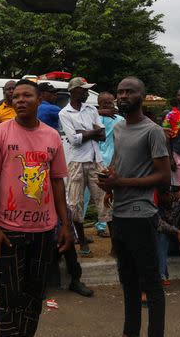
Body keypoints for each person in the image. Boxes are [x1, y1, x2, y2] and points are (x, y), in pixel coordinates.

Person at [0, 79, 72, 337]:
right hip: (9, 231)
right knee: (10, 298)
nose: (20, 100)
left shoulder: (52, 136)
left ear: (39, 100)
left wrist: (65, 225)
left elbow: (57, 182)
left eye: (27, 96)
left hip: (44, 231)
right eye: (16, 96)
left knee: (35, 296)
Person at [96, 77, 170, 337]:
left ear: (143, 95)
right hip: (120, 215)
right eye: (120, 92)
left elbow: (164, 177)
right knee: (128, 283)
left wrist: (121, 182)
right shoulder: (118, 129)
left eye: (130, 91)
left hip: (142, 215)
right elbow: (118, 163)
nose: (123, 95)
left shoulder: (153, 131)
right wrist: (109, 182)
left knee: (151, 284)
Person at [59, 77, 107, 258]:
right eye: (83, 90)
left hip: (96, 159)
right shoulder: (65, 113)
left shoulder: (91, 109)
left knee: (104, 198)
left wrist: (85, 133)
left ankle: (115, 243)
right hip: (76, 161)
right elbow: (74, 140)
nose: (87, 93)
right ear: (73, 91)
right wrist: (91, 132)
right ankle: (83, 241)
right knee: (75, 203)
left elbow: (101, 135)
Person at [95, 91, 124, 236]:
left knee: (108, 194)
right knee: (90, 194)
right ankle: (99, 225)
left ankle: (104, 225)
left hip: (113, 161)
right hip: (95, 160)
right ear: (99, 103)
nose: (107, 105)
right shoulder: (93, 117)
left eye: (110, 102)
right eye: (104, 103)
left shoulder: (119, 119)